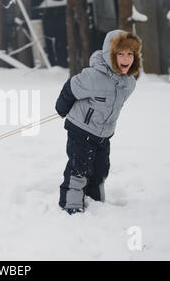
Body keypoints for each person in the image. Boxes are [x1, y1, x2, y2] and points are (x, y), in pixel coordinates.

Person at [55, 30, 142, 215]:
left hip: (103, 133)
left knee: (100, 169)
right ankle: (71, 205)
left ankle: (95, 202)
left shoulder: (129, 83)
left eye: (130, 54)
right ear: (110, 55)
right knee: (79, 167)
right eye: (120, 54)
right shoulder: (93, 77)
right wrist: (62, 108)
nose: (126, 59)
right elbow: (70, 87)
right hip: (81, 129)